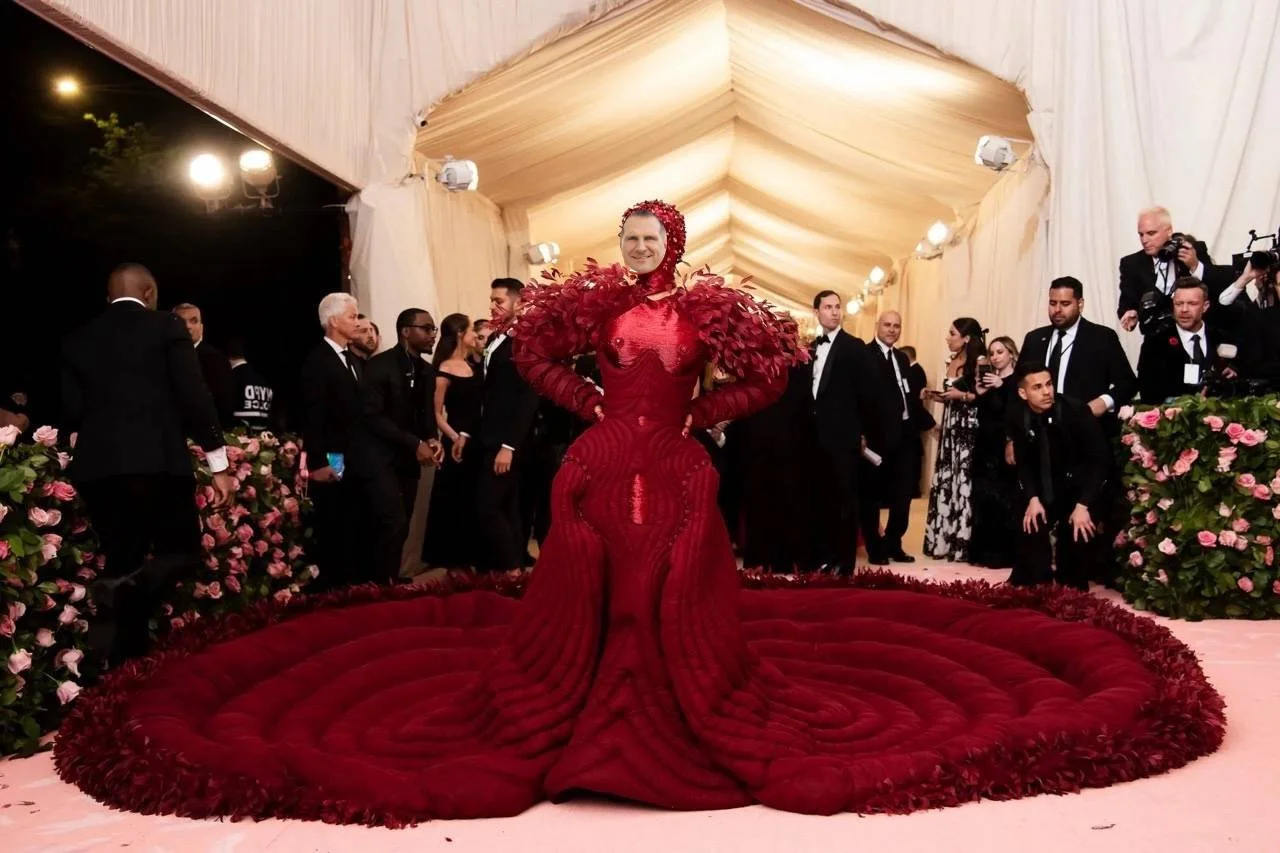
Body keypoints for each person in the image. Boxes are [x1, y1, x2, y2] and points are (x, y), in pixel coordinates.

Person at [58, 204, 1217, 824]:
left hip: (674, 454)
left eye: (647, 238)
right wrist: (590, 404)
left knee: (674, 570)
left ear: (674, 242)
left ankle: (673, 685)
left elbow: (765, 371)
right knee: (591, 569)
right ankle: (585, 683)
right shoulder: (593, 302)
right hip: (607, 449)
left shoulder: (707, 306)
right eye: (626, 238)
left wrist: (705, 412)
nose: (635, 248)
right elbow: (532, 359)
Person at [61, 264, 237, 666]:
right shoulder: (166, 326)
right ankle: (126, 589)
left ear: (108, 298)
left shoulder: (78, 338)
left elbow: (72, 410)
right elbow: (194, 395)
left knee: (123, 560)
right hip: (157, 463)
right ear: (150, 293)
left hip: (97, 468)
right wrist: (218, 463)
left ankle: (126, 666)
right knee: (183, 552)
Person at [1005, 362, 1111, 590]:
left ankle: (1071, 576)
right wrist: (1032, 499)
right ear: (1023, 393)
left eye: (1049, 384)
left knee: (1073, 573)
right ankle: (1035, 577)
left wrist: (1083, 505)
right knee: (1030, 527)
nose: (1046, 392)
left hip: (1079, 489)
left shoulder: (1076, 411)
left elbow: (1099, 461)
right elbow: (1024, 463)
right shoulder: (1016, 415)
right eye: (1037, 387)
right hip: (1042, 487)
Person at [358, 307, 444, 584]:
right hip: (378, 457)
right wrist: (415, 442)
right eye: (426, 328)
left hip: (408, 458)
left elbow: (427, 416)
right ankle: (378, 585)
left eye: (433, 329)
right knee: (390, 521)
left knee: (403, 523)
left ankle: (390, 580)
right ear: (406, 331)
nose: (433, 335)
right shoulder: (379, 365)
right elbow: (372, 416)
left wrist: (432, 439)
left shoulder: (427, 371)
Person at [806, 289, 881, 574]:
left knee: (845, 500)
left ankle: (845, 562)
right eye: (828, 307)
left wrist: (862, 432)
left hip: (844, 437)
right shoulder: (811, 348)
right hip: (816, 438)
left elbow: (869, 394)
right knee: (822, 498)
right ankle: (825, 557)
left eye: (837, 307)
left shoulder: (854, 347)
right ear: (816, 312)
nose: (835, 312)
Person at [298, 293, 365, 590]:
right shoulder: (317, 361)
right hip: (333, 456)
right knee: (335, 521)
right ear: (334, 321)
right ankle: (334, 589)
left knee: (352, 521)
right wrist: (319, 462)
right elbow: (312, 415)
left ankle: (351, 585)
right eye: (353, 316)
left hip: (356, 456)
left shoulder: (352, 359)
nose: (358, 322)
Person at [476, 278, 541, 573]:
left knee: (488, 505)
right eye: (491, 300)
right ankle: (513, 570)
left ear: (519, 302)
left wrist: (509, 445)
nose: (493, 306)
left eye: (499, 301)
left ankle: (512, 569)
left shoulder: (526, 341)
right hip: (489, 433)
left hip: (508, 440)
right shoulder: (495, 337)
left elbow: (528, 398)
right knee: (508, 505)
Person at [422, 313, 484, 570]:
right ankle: (454, 563)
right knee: (455, 501)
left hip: (477, 439)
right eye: (471, 330)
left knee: (475, 500)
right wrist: (455, 437)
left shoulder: (474, 365)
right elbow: (436, 414)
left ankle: (474, 559)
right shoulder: (444, 369)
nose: (475, 335)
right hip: (455, 441)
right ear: (460, 333)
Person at [859, 310, 918, 565]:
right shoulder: (865, 356)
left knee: (903, 495)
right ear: (877, 326)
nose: (892, 330)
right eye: (887, 325)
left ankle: (894, 543)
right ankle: (875, 547)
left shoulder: (902, 358)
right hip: (876, 437)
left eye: (896, 325)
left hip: (904, 435)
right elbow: (859, 398)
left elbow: (907, 394)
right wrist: (860, 434)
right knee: (871, 495)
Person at [922, 318, 983, 561]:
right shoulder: (951, 360)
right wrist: (934, 396)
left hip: (968, 428)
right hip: (950, 427)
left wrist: (962, 395)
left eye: (952, 333)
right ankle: (944, 541)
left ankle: (963, 543)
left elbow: (984, 397)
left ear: (966, 338)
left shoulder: (980, 362)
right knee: (948, 478)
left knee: (963, 480)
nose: (948, 338)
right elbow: (951, 396)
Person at [968, 335, 1021, 568]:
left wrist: (1003, 387)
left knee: (1003, 499)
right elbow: (983, 415)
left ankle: (1003, 554)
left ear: (1011, 353)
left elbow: (1015, 413)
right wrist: (981, 393)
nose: (995, 357)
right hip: (984, 445)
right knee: (982, 498)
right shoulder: (989, 381)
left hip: (1004, 446)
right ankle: (982, 552)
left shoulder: (1017, 382)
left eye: (1000, 352)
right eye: (992, 353)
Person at [173, 302, 236, 426]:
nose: (188, 326)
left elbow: (224, 404)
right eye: (181, 321)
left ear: (201, 328)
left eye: (193, 321)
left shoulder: (216, 360)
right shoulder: (159, 357)